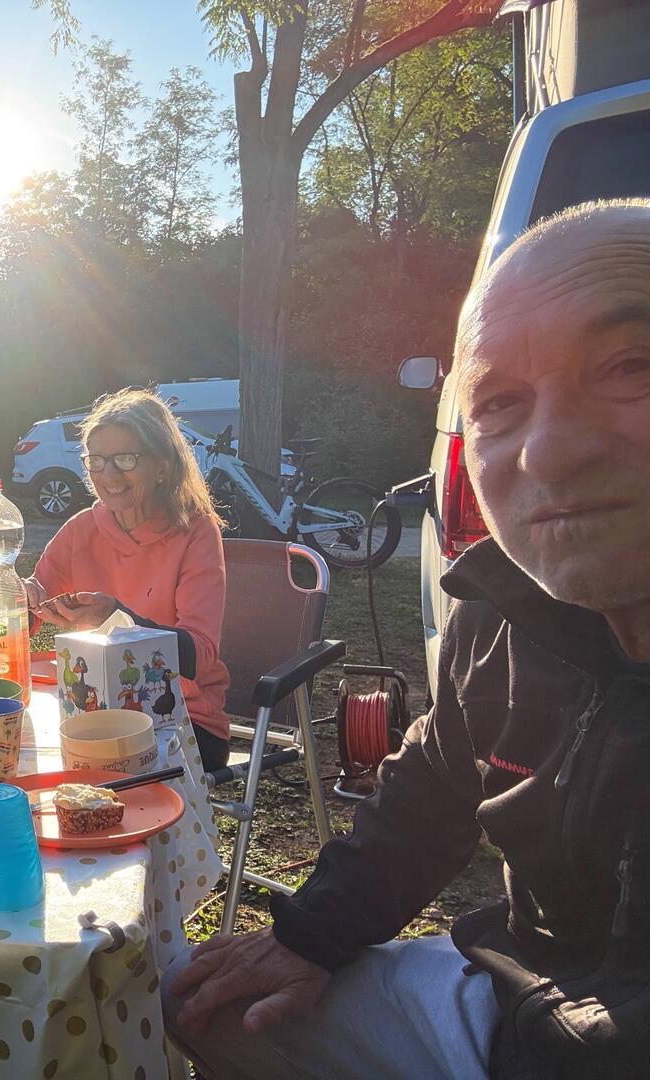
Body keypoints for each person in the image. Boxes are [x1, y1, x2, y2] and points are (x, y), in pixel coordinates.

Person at [163, 199, 650, 1079]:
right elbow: (429, 794)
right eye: (500, 402)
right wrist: (310, 937)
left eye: (630, 367)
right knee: (203, 1004)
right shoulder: (499, 614)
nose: (547, 454)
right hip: (520, 997)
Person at [25, 387, 232, 771]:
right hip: (94, 709)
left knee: (88, 770)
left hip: (181, 718)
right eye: (97, 460)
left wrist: (119, 620)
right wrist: (18, 601)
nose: (109, 474)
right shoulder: (81, 529)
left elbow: (200, 657)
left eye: (125, 458)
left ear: (162, 467)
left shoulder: (195, 533)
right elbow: (34, 608)